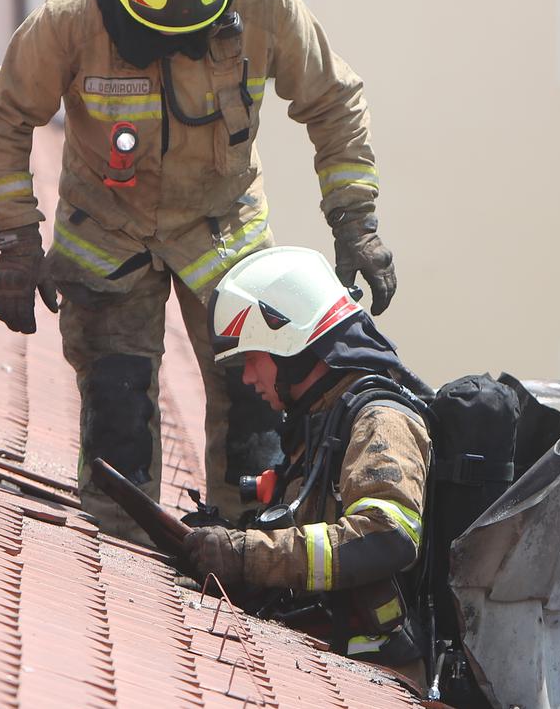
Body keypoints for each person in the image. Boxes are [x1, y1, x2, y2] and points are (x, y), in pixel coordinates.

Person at [0, 0, 397, 540]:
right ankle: (118, 557)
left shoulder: (263, 4)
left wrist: (355, 223)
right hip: (107, 236)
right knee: (117, 411)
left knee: (257, 408)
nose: (172, 47)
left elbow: (334, 101)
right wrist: (17, 241)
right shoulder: (73, 18)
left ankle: (248, 547)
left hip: (224, 236)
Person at [184, 246, 429, 673]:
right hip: (330, 658)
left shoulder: (379, 420)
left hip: (386, 675)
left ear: (289, 348)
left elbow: (387, 538)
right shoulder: (322, 422)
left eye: (252, 359)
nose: (247, 377)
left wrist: (248, 557)